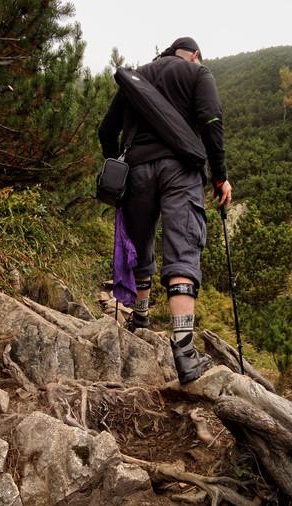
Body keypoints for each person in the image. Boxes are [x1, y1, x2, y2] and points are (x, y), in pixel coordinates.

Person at [99, 37, 232, 385]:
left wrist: (116, 165)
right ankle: (185, 352)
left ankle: (140, 321)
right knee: (182, 251)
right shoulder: (197, 73)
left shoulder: (136, 76)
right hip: (180, 170)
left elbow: (106, 130)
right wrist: (220, 178)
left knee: (140, 247)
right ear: (195, 55)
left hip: (137, 172)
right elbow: (211, 122)